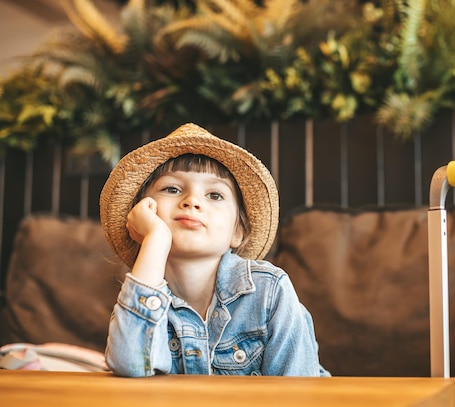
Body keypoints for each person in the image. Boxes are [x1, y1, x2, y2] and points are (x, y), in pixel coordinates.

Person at [99, 123, 328, 377]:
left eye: (215, 195)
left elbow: (299, 396)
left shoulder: (270, 292)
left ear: (237, 231)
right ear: (143, 215)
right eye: (172, 189)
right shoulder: (144, 293)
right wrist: (156, 238)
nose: (192, 201)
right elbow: (129, 364)